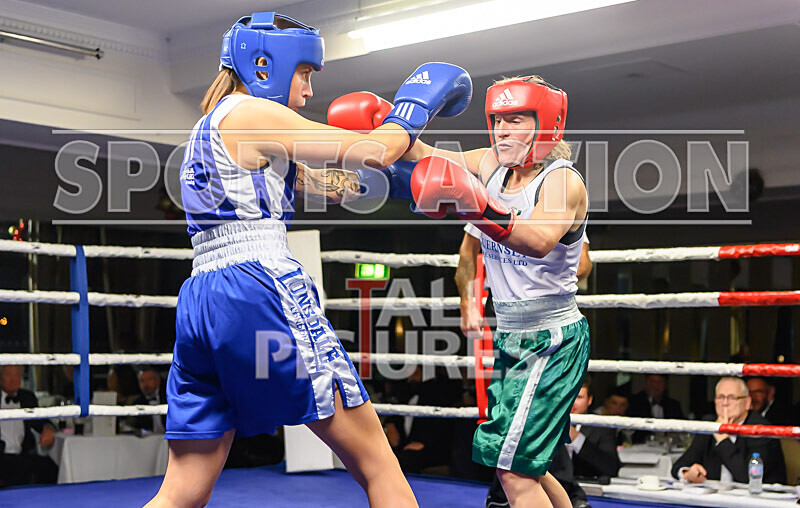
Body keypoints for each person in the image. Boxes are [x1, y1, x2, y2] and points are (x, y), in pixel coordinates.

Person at [146, 12, 471, 508]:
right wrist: (411, 109)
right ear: (263, 65)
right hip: (259, 287)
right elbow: (371, 150)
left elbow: (335, 183)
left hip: (203, 300)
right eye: (304, 73)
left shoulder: (209, 131)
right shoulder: (251, 113)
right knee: (376, 461)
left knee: (183, 488)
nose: (309, 90)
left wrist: (403, 182)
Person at [405, 75, 590, 508]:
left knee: (514, 471)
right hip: (511, 336)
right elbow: (427, 155)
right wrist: (392, 124)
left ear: (544, 125)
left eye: (516, 119)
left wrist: (477, 205)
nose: (502, 130)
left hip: (551, 339)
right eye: (497, 119)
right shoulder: (492, 166)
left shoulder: (563, 181)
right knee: (529, 466)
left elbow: (539, 238)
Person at [671, 377, 785, 484]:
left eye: (732, 398)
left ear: (747, 403)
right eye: (720, 397)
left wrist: (723, 440)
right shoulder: (710, 423)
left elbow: (747, 478)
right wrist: (687, 473)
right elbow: (679, 465)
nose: (725, 403)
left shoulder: (760, 428)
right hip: (716, 499)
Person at [0, 365, 58, 487]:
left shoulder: (27, 397)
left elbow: (42, 421)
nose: (14, 379)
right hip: (2, 456)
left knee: (51, 467)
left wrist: (48, 429)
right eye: (8, 375)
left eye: (17, 375)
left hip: (23, 455)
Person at [565, 379, 620, 479]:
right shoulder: (549, 422)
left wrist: (577, 439)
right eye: (569, 395)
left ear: (589, 400)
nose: (572, 402)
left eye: (579, 397)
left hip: (586, 488)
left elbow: (611, 468)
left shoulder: (601, 425)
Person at [627, 374, 683, 443]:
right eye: (652, 381)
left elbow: (680, 427)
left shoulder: (673, 405)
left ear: (665, 385)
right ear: (646, 383)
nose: (655, 386)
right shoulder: (634, 402)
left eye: (659, 382)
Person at [130, 367, 167, 433]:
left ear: (158, 380)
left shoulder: (169, 398)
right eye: (142, 381)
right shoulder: (137, 403)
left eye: (149, 379)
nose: (146, 384)